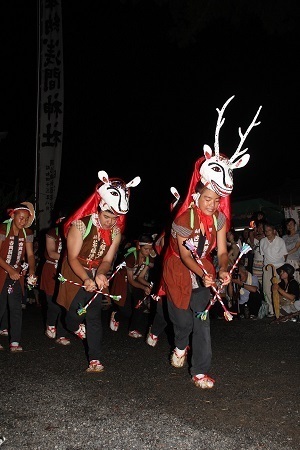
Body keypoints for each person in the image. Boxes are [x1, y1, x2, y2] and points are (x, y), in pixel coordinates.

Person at [162, 95, 262, 389]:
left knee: (202, 319)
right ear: (196, 197)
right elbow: (183, 256)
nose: (212, 204)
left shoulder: (218, 220)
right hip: (180, 270)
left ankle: (200, 371)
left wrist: (221, 270)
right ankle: (180, 346)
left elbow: (220, 250)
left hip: (203, 270)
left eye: (216, 200)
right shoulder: (182, 222)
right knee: (182, 325)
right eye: (207, 199)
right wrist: (203, 272)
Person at [56, 170, 141, 372]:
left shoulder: (116, 232)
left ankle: (95, 359)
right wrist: (86, 278)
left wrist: (101, 274)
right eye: (107, 216)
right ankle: (75, 328)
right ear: (99, 209)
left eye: (115, 217)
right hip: (74, 271)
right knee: (72, 317)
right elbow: (72, 258)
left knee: (93, 315)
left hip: (95, 271)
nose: (110, 221)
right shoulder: (80, 225)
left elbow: (108, 259)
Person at [0, 202, 37, 351]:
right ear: (12, 215)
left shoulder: (27, 233)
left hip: (16, 275)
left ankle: (15, 341)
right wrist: (10, 270)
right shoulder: (2, 229)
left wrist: (32, 271)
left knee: (16, 308)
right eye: (21, 218)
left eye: (26, 219)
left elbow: (30, 255)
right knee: (1, 306)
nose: (23, 222)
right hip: (2, 273)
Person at [109, 233, 156, 338]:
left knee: (140, 304)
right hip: (124, 280)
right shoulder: (131, 257)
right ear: (139, 247)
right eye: (146, 249)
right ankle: (116, 315)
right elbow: (131, 280)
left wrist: (150, 285)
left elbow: (140, 277)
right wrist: (144, 287)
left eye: (150, 249)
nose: (149, 252)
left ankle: (133, 329)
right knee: (127, 311)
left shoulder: (149, 258)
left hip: (135, 280)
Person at [40, 217, 71, 345]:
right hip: (52, 269)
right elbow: (52, 253)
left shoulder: (75, 233)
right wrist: (72, 258)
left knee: (65, 303)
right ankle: (51, 324)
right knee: (53, 302)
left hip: (68, 270)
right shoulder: (53, 232)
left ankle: (62, 334)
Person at [260, 222, 288, 318]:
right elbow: (263, 255)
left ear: (274, 231)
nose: (268, 232)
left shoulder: (280, 241)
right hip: (268, 267)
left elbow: (285, 254)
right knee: (267, 289)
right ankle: (272, 310)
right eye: (266, 230)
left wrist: (281, 267)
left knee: (279, 289)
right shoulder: (262, 241)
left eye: (269, 230)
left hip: (279, 267)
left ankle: (280, 309)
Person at [282, 217, 300, 284]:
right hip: (286, 260)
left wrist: (286, 253)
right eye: (288, 224)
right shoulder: (284, 237)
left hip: (294, 261)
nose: (289, 226)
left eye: (291, 224)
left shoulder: (298, 236)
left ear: (295, 225)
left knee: (296, 280)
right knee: (286, 281)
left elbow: (296, 248)